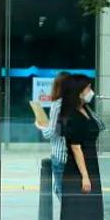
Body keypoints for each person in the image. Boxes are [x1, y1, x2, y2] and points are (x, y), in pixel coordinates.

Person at [57, 74, 104, 220]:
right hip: (76, 170)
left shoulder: (85, 110)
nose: (90, 92)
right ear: (78, 92)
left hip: (91, 165)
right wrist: (84, 175)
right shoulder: (71, 115)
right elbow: (76, 148)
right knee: (72, 214)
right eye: (87, 89)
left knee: (83, 214)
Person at [34, 72, 70, 200]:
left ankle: (70, 219)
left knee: (61, 192)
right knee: (67, 191)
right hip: (73, 155)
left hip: (60, 154)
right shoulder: (76, 103)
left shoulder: (58, 104)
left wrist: (41, 125)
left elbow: (51, 132)